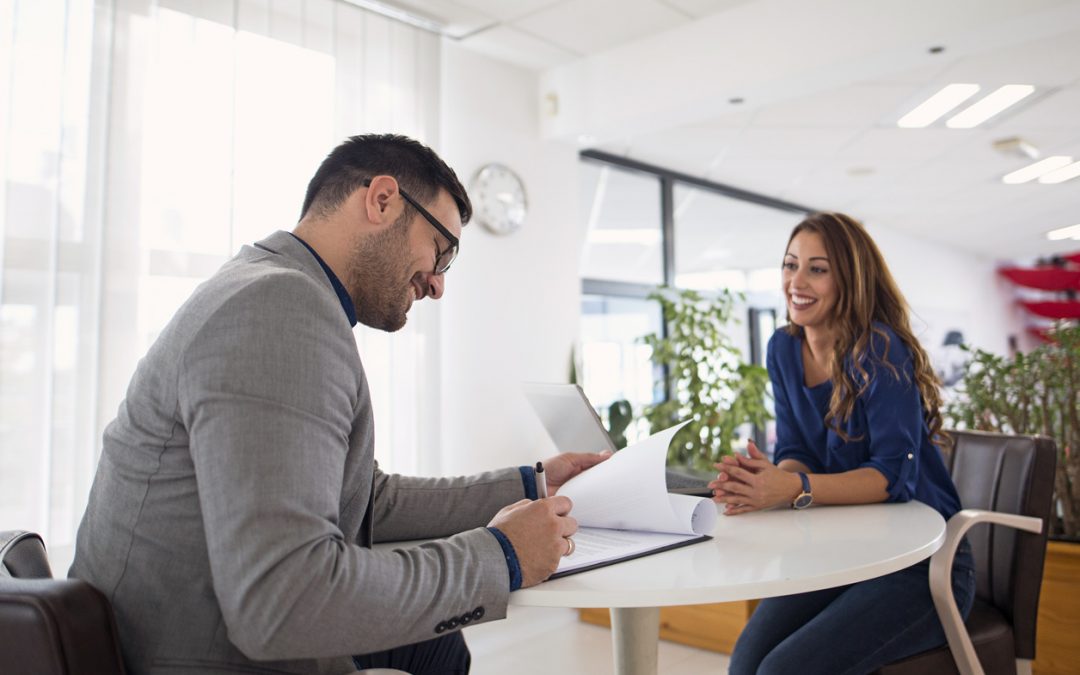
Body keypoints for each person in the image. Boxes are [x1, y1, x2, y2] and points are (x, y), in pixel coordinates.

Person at [69, 134, 607, 675]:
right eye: (442, 250)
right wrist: (503, 556)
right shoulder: (278, 307)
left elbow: (367, 500)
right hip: (194, 655)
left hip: (170, 631)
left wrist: (534, 485)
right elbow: (284, 599)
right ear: (381, 200)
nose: (439, 284)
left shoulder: (267, 286)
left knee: (438, 648)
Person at [709, 212, 975, 675]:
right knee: (745, 662)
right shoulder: (783, 348)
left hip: (924, 563)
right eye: (790, 265)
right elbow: (798, 449)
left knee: (781, 671)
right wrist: (766, 482)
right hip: (846, 551)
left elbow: (894, 477)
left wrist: (791, 490)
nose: (797, 280)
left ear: (849, 279)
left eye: (818, 268)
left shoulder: (879, 349)